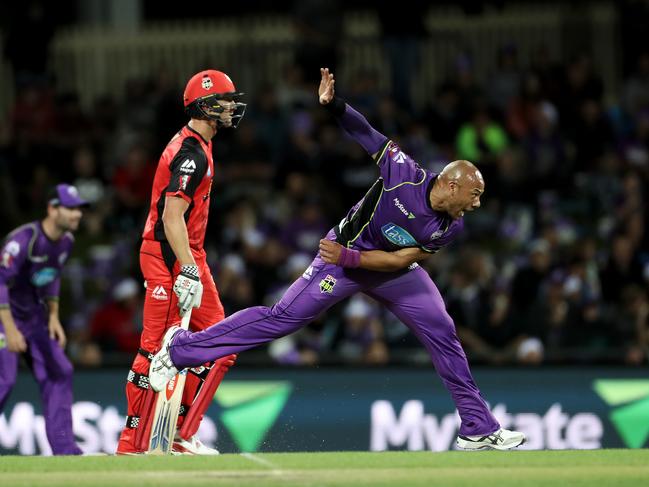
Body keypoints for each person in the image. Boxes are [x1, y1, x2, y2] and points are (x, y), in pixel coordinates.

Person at [148, 68, 526, 451]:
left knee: (442, 330)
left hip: (376, 265)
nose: (477, 204)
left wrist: (352, 258)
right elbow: (366, 134)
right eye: (474, 194)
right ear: (452, 185)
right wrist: (334, 105)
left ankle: (477, 426)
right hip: (339, 260)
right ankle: (180, 349)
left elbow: (399, 262)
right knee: (280, 319)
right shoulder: (404, 174)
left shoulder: (451, 226)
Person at [115, 70, 243, 455]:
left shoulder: (200, 143)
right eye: (225, 100)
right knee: (154, 349)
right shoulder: (190, 154)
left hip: (188, 255)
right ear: (205, 107)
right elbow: (171, 218)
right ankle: (132, 443)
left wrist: (192, 262)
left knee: (223, 344)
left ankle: (180, 434)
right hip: (168, 256)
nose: (232, 106)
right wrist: (186, 267)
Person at [0, 184, 87, 455]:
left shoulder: (66, 242)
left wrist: (53, 316)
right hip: (5, 316)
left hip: (34, 317)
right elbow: (0, 282)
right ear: (52, 208)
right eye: (71, 208)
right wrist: (10, 329)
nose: (77, 215)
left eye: (79, 209)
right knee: (5, 379)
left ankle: (65, 450)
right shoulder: (23, 240)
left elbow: (52, 276)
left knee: (60, 372)